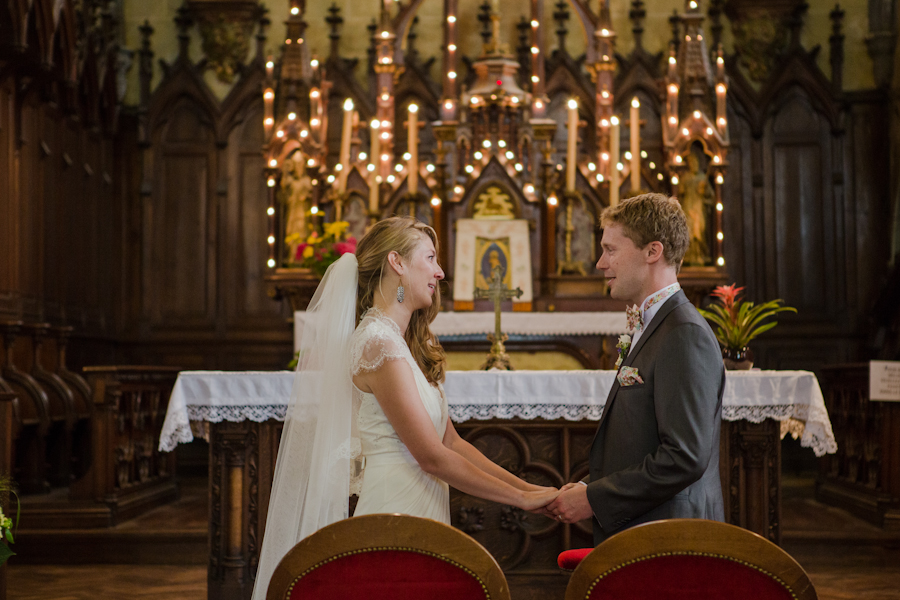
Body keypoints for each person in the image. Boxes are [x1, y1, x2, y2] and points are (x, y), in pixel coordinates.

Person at [252, 216, 558, 599]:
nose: (440, 272)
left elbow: (451, 443)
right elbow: (431, 457)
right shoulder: (377, 344)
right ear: (397, 262)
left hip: (421, 509)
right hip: (394, 513)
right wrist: (522, 500)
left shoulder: (402, 343)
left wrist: (530, 488)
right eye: (429, 258)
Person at [544, 193, 725, 544]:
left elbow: (684, 456)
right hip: (647, 527)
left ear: (652, 251)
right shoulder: (656, 324)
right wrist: (590, 487)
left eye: (611, 249)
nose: (600, 263)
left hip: (670, 535)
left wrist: (594, 499)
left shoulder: (684, 333)